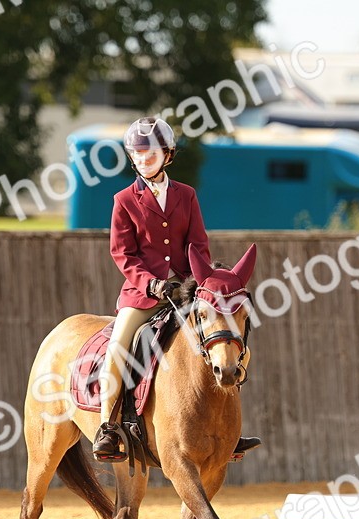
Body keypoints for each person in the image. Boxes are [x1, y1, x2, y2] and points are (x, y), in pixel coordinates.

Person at [92, 116, 261, 463]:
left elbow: (198, 244)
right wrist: (150, 283)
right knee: (117, 351)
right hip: (143, 295)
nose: (143, 158)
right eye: (137, 153)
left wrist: (198, 282)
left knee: (227, 339)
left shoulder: (186, 195)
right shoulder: (124, 200)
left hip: (186, 291)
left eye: (150, 152)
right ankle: (108, 428)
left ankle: (225, 431)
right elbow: (122, 253)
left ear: (167, 155)